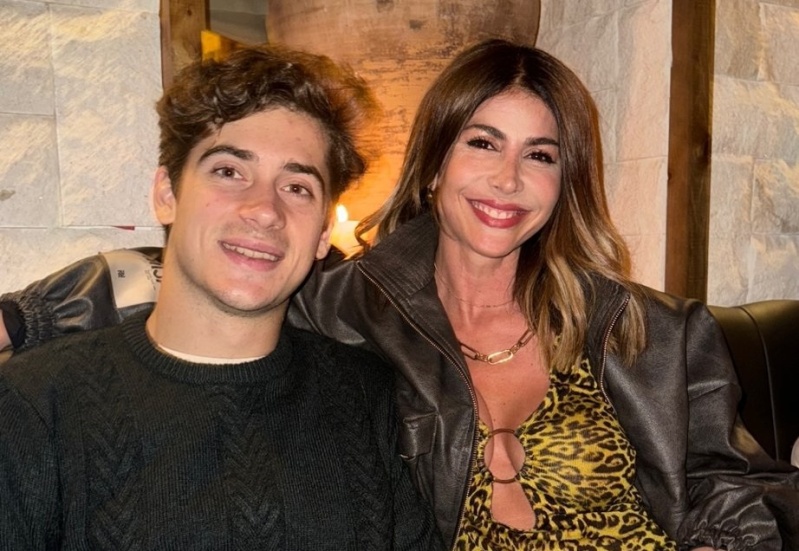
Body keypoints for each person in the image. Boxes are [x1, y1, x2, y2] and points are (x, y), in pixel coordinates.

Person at [1, 39, 798, 551]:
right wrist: (21, 318)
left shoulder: (648, 329)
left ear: (566, 180)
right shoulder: (347, 308)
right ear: (434, 161)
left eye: (540, 155)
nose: (507, 179)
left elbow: (732, 493)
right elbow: (210, 269)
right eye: (481, 142)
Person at [0, 45, 442, 549]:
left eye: (297, 187)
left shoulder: (366, 396)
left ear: (323, 232)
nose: (265, 210)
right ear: (167, 194)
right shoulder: (32, 405)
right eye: (229, 172)